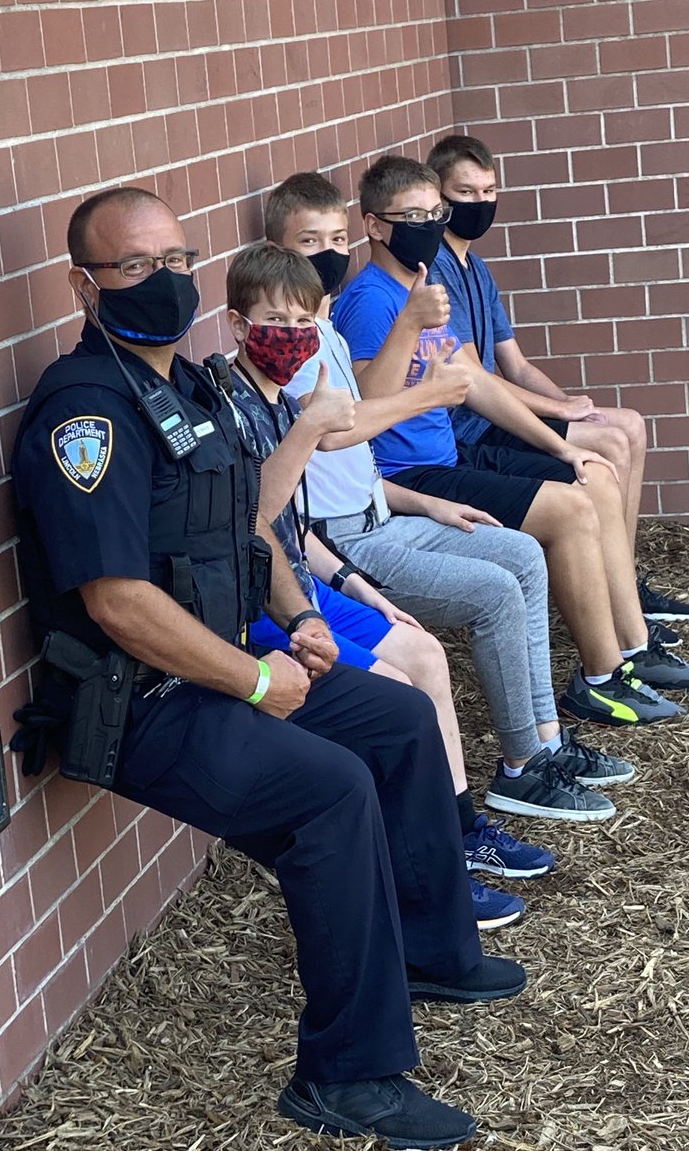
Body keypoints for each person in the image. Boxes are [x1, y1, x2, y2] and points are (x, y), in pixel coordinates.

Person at [10, 185, 527, 1151]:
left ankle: (428, 951)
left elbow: (247, 529)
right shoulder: (87, 414)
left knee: (395, 721)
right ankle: (346, 1075)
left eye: (175, 261)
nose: (164, 282)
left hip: (230, 657)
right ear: (84, 285)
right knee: (330, 794)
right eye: (134, 269)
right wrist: (253, 682)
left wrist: (296, 621)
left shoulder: (193, 392)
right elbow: (117, 602)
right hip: (139, 701)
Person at [263, 172, 637, 823]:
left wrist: (424, 503)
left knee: (521, 555)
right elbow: (338, 430)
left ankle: (542, 745)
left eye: (333, 238)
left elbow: (355, 459)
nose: (325, 252)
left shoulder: (325, 326)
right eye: (307, 241)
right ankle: (522, 766)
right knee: (496, 589)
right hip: (344, 539)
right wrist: (422, 385)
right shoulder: (295, 339)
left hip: (386, 509)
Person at [224, 238, 560, 931]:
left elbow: (297, 530)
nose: (289, 338)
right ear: (236, 325)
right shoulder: (230, 406)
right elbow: (256, 516)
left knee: (425, 654)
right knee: (397, 698)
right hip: (258, 612)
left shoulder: (287, 399)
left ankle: (458, 838)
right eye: (273, 323)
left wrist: (359, 586)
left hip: (313, 586)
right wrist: (318, 426)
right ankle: (423, 878)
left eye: (302, 324)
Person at [331, 156, 689, 723]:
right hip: (406, 476)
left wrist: (563, 444)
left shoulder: (424, 283)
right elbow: (367, 407)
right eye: (414, 215)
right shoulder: (372, 300)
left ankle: (626, 652)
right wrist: (411, 323)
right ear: (374, 226)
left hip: (442, 459)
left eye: (436, 213)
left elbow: (475, 384)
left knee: (588, 473)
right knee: (571, 509)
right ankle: (603, 679)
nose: (431, 224)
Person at [424, 134, 689, 641]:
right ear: (438, 199)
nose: (481, 204)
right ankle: (616, 605)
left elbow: (517, 364)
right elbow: (476, 380)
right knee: (611, 444)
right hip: (472, 431)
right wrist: (557, 410)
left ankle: (623, 586)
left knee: (628, 425)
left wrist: (572, 409)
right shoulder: (436, 269)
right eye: (466, 193)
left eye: (489, 191)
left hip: (496, 414)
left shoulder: (476, 267)